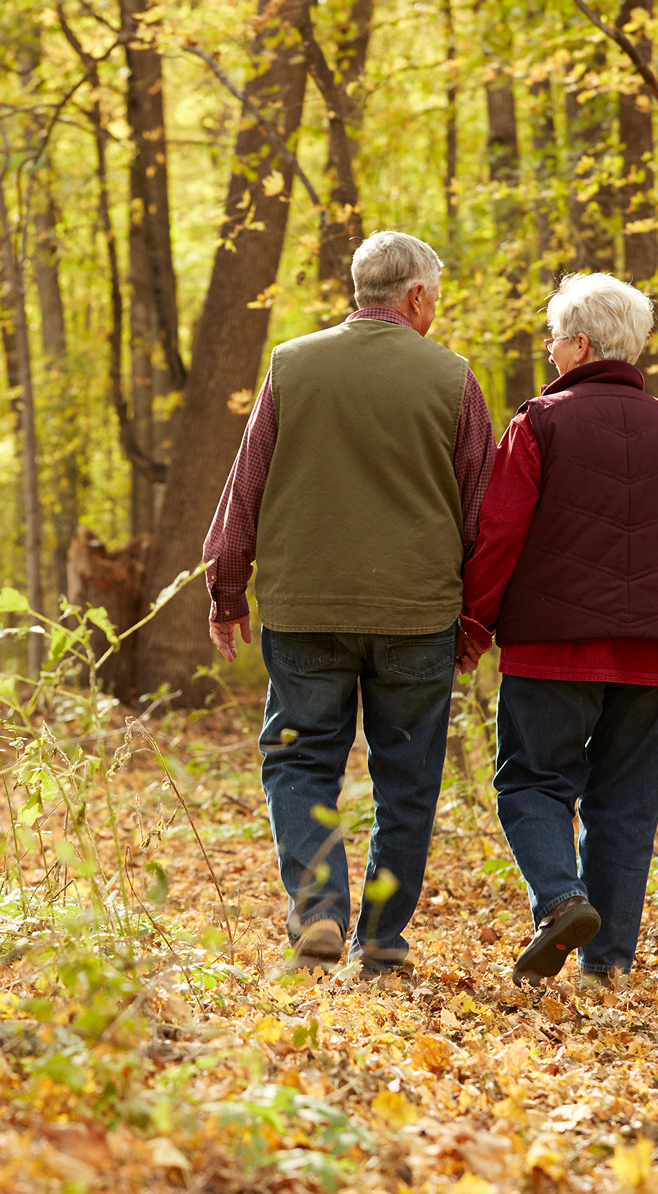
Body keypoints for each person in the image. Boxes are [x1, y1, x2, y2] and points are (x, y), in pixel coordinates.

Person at [202, 230, 495, 974]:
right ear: (417, 297)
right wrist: (476, 617)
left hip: (306, 609)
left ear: (360, 290)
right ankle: (383, 939)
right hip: (416, 614)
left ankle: (318, 911)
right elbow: (479, 516)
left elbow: (247, 485)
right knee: (408, 775)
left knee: (300, 764)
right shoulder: (453, 378)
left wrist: (226, 589)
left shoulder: (292, 365)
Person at [459, 271, 658, 985]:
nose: (550, 352)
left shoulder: (537, 423)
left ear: (578, 343)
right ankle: (605, 967)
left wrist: (474, 622)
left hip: (553, 648)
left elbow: (497, 534)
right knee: (625, 806)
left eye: (553, 339)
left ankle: (559, 899)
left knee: (531, 783)